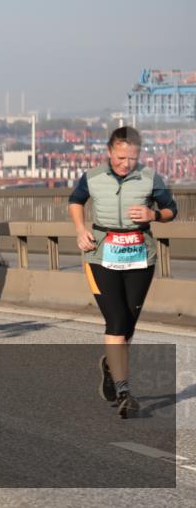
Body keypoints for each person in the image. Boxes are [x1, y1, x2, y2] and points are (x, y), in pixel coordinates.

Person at [69, 127, 177, 419]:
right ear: (109, 152)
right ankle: (124, 391)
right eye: (120, 157)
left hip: (140, 257)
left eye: (132, 158)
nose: (126, 163)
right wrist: (81, 230)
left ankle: (109, 365)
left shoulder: (150, 178)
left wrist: (153, 215)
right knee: (116, 321)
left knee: (127, 324)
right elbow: (75, 201)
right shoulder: (92, 177)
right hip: (101, 255)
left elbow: (171, 209)